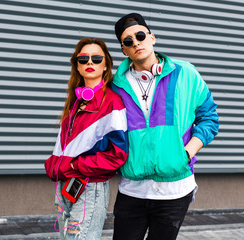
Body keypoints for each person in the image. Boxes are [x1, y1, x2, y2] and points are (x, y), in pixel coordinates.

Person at [111, 13, 219, 240]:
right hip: (132, 190)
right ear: (124, 50)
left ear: (152, 37)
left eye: (140, 35)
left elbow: (209, 117)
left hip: (175, 190)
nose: (136, 42)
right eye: (128, 41)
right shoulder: (116, 87)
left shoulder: (186, 73)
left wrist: (187, 151)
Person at [44, 38, 128, 240]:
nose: (90, 62)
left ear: (105, 65)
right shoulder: (76, 101)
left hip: (89, 186)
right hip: (67, 184)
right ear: (77, 66)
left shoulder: (112, 102)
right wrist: (55, 164)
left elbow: (118, 155)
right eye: (83, 59)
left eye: (96, 58)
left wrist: (74, 166)